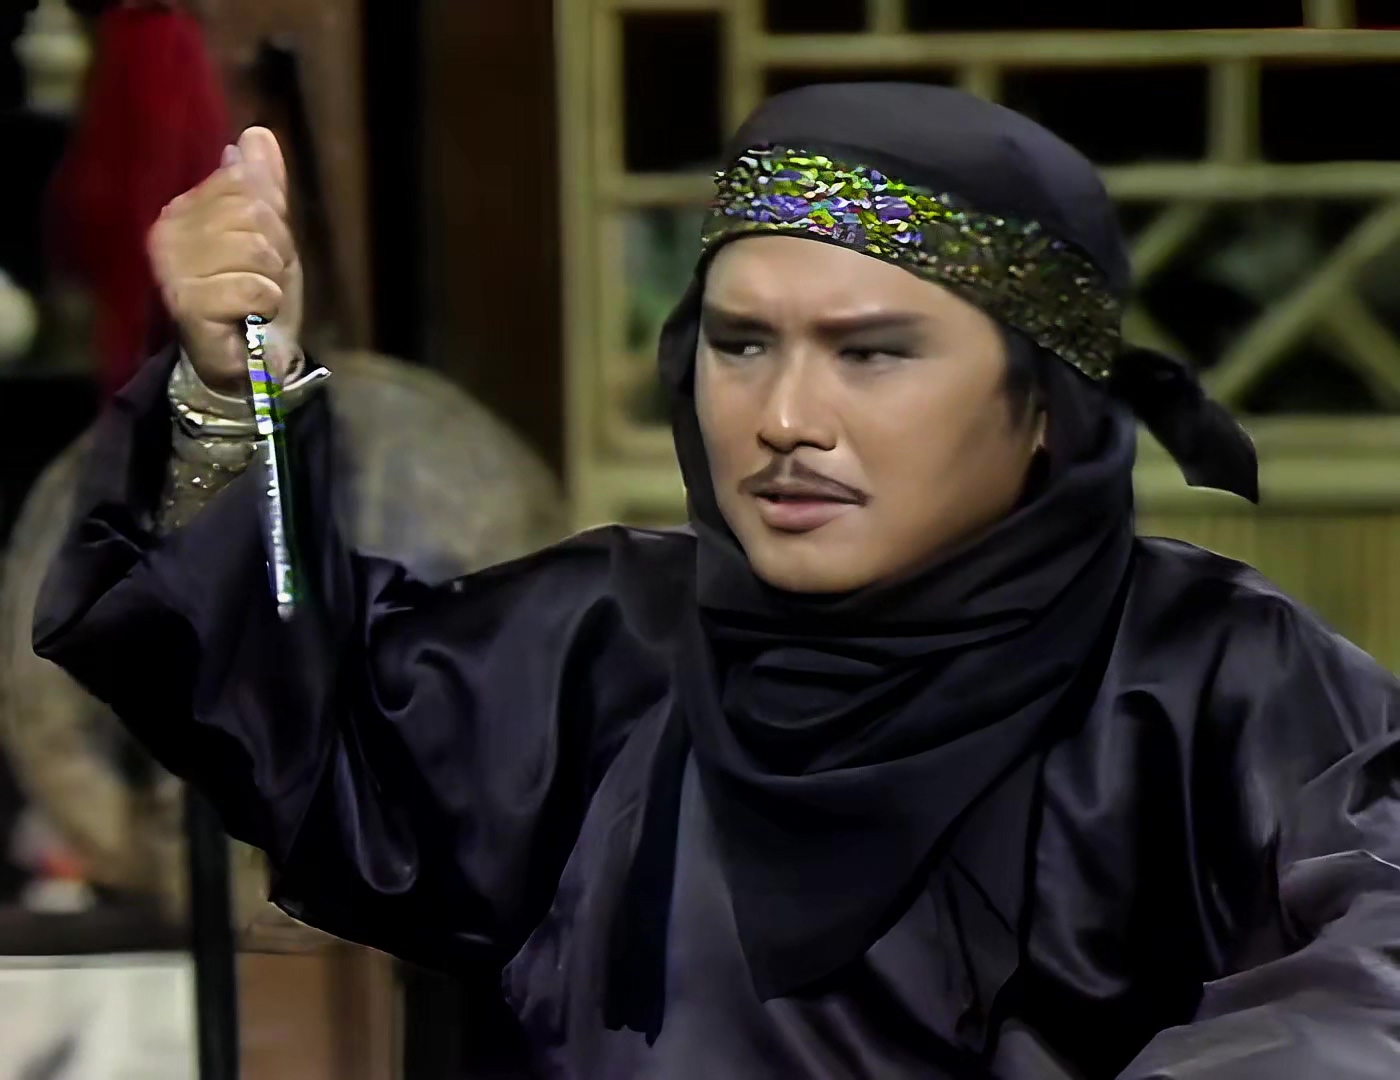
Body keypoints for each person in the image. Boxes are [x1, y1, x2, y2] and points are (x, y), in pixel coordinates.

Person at [34, 84, 1400, 1079]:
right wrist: (229, 390)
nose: (785, 418)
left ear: (1045, 403)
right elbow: (285, 702)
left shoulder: (1217, 682)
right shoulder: (594, 652)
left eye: (871, 353)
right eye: (741, 345)